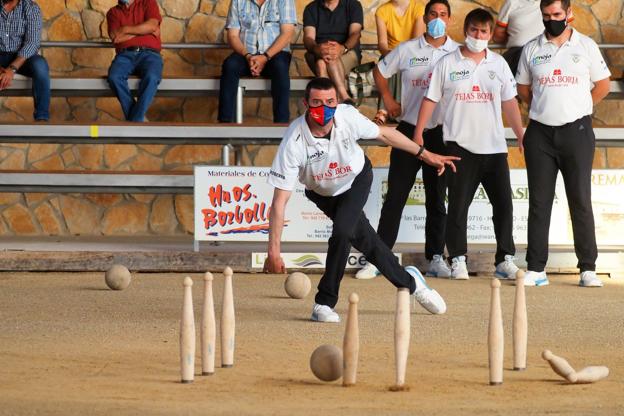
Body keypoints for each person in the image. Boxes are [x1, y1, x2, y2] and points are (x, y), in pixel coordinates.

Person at [263, 77, 459, 322]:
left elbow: (386, 135)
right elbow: (279, 202)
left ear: (337, 102)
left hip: (356, 179)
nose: (323, 108)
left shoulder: (346, 117)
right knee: (365, 240)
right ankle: (411, 282)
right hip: (323, 193)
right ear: (305, 103)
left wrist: (425, 154)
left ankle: (323, 303)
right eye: (316, 102)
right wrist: (274, 252)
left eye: (329, 102)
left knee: (343, 231)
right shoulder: (294, 141)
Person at [414, 8, 525, 280]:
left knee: (504, 206)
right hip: (458, 147)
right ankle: (459, 259)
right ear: (465, 30)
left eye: (484, 31)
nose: (478, 35)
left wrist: (521, 134)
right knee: (458, 207)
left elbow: (509, 103)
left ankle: (505, 259)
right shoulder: (447, 63)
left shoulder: (498, 64)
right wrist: (418, 133)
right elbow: (430, 100)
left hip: (495, 148)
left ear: (490, 34)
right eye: (474, 30)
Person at [356, 0, 459, 280]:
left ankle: (436, 257)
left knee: (436, 199)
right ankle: (379, 259)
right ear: (424, 18)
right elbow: (379, 70)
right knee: (396, 198)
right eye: (433, 14)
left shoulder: (457, 53)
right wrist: (388, 99)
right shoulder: (407, 49)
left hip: (440, 135)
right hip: (407, 131)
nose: (437, 19)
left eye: (443, 15)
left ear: (449, 19)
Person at [516, 0, 610, 287]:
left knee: (580, 199)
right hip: (540, 134)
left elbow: (603, 84)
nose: (551, 20)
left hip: (577, 132)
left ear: (569, 14)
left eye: (557, 14)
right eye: (546, 16)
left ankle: (588, 268)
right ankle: (536, 268)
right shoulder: (531, 48)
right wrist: (544, 109)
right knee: (539, 202)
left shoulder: (586, 46)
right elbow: (522, 88)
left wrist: (580, 109)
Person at [218, 0, 296, 123]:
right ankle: (225, 123)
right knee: (230, 65)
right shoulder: (238, 1)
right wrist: (248, 56)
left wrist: (265, 57)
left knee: (280, 66)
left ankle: (281, 124)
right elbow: (233, 35)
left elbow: (287, 33)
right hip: (246, 54)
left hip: (275, 54)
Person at [106, 0, 163, 122]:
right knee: (114, 77)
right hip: (125, 55)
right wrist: (145, 32)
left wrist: (125, 30)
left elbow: (152, 25)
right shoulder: (113, 12)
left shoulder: (148, 3)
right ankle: (138, 118)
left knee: (152, 77)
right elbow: (115, 37)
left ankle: (135, 120)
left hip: (150, 54)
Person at [374, 0, 425, 123]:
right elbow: (382, 43)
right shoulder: (382, 11)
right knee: (387, 62)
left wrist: (399, 56)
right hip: (391, 53)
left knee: (401, 62)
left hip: (413, 54)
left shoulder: (419, 8)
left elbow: (416, 42)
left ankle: (387, 110)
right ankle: (385, 111)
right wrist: (391, 55)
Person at [303, 0, 363, 103]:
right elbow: (308, 38)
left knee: (323, 63)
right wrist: (317, 49)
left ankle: (332, 100)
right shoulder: (311, 8)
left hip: (347, 52)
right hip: (318, 53)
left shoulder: (353, 5)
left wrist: (343, 48)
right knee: (325, 59)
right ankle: (344, 98)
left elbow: (355, 33)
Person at [0, 0, 49, 122]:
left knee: (40, 65)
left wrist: (11, 69)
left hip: (22, 58)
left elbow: (32, 43)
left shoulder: (31, 8)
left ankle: (41, 116)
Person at [492, 0, 544, 76]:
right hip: (518, 54)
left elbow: (566, 29)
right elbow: (498, 36)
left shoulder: (557, 2)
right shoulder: (511, 2)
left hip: (545, 53)